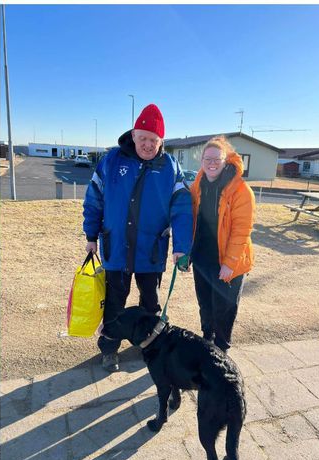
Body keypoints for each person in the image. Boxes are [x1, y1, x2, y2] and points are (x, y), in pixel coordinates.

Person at [82, 104, 193, 372]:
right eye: (142, 137)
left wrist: (181, 247)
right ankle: (109, 348)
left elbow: (181, 208)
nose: (147, 144)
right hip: (116, 248)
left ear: (161, 142)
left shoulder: (170, 167)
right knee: (114, 302)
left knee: (150, 302)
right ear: (133, 135)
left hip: (150, 251)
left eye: (153, 140)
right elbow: (94, 198)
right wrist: (91, 234)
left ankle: (148, 345)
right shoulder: (112, 160)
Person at [189, 135, 255, 353]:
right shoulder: (197, 184)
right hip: (202, 258)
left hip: (228, 262)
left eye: (216, 158)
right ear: (201, 161)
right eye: (207, 159)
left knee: (224, 308)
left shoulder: (241, 190)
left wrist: (230, 263)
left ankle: (222, 348)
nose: (211, 163)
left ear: (226, 159)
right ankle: (207, 339)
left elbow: (241, 231)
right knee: (205, 304)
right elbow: (189, 217)